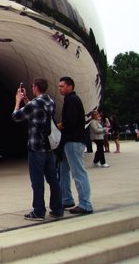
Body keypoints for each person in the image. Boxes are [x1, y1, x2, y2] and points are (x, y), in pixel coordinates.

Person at [12, 78, 63, 221]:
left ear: (35, 87)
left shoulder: (35, 104)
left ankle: (39, 211)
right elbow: (37, 113)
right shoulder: (50, 102)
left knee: (37, 181)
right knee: (53, 179)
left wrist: (17, 101)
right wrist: (27, 99)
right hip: (48, 148)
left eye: (32, 86)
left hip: (36, 147)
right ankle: (57, 209)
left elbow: (16, 116)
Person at [57, 76, 93, 215]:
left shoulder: (72, 100)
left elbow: (70, 121)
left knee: (78, 172)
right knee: (63, 169)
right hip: (69, 141)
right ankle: (66, 199)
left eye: (62, 86)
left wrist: (58, 126)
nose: (60, 88)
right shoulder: (71, 100)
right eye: (59, 86)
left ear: (70, 87)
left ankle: (85, 203)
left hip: (73, 141)